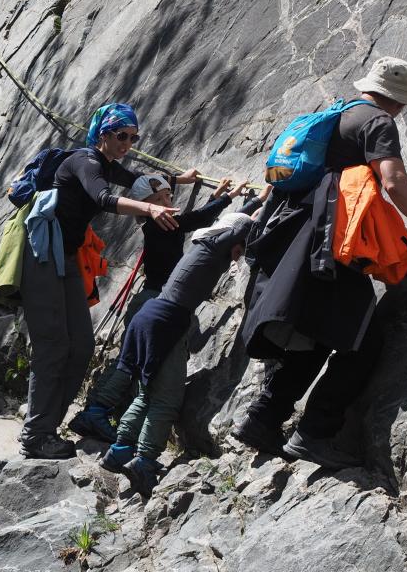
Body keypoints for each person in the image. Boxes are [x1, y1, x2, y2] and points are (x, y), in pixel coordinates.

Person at [231, 56, 407, 469]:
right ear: (398, 101)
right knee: (362, 339)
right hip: (329, 244)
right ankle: (313, 433)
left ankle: (262, 420)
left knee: (319, 331)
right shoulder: (378, 122)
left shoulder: (336, 114)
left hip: (297, 238)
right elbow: (394, 181)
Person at [18, 103, 199, 460]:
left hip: (67, 257)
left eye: (133, 138)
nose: (127, 143)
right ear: (102, 134)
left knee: (82, 345)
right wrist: (150, 208)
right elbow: (102, 197)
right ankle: (35, 435)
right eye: (121, 136)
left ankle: (48, 427)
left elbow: (134, 180)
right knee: (53, 345)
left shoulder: (105, 164)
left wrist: (178, 180)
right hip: (41, 256)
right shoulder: (85, 161)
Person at [69, 176, 271, 443]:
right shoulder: (160, 224)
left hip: (151, 302)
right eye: (158, 199)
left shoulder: (161, 226)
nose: (166, 203)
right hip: (159, 304)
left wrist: (218, 198)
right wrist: (237, 199)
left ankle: (98, 412)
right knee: (136, 367)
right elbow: (199, 220)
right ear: (144, 206)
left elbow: (201, 224)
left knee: (131, 362)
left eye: (168, 197)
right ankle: (101, 414)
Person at [102, 211, 263, 497]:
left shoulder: (204, 244)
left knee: (147, 392)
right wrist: (266, 207)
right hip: (167, 321)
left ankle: (120, 450)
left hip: (151, 316)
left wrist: (256, 203)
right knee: (166, 399)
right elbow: (239, 227)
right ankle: (144, 462)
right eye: (242, 246)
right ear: (233, 236)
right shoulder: (215, 247)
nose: (241, 255)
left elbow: (234, 224)